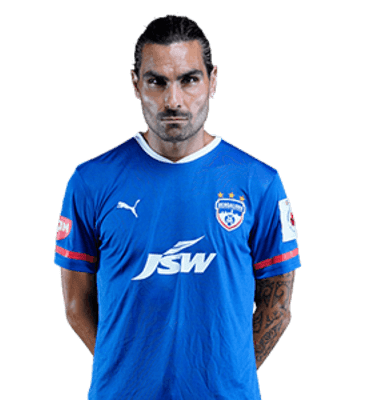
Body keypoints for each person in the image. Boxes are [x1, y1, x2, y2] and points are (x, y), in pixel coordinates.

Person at [55, 14, 301, 400]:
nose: (173, 101)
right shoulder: (91, 181)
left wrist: (226, 374)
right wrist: (126, 370)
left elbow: (277, 306)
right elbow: (75, 305)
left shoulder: (259, 182)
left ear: (213, 81)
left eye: (189, 80)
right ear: (136, 85)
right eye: (157, 82)